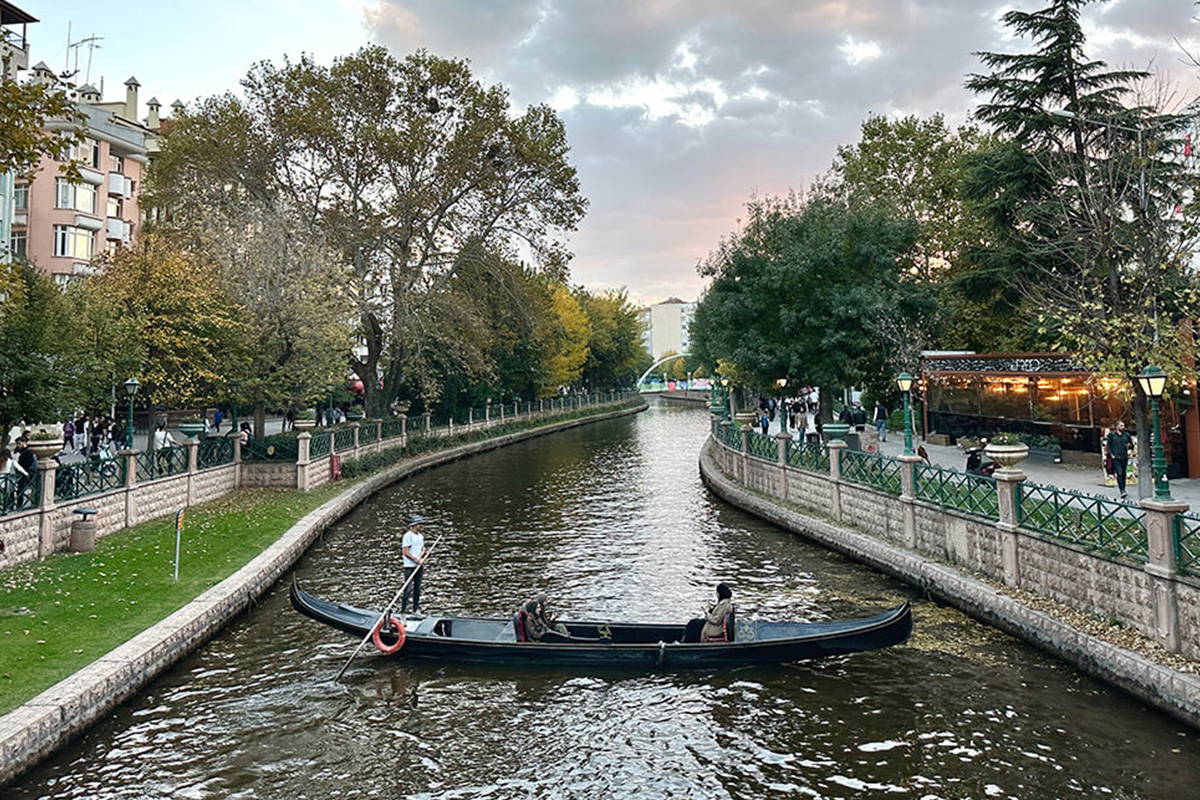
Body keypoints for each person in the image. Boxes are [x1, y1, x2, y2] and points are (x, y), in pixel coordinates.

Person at [401, 514, 427, 614]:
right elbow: (405, 552)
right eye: (420, 524)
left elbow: (422, 549)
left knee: (417, 588)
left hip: (418, 566)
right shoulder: (408, 536)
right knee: (408, 589)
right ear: (415, 524)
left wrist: (422, 555)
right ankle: (403, 612)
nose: (422, 526)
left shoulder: (420, 536)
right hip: (409, 566)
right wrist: (417, 560)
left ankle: (415, 610)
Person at [1105, 421, 1135, 499]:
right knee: (1119, 473)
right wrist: (1111, 454)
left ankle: (1123, 488)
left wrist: (1129, 449)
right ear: (1117, 427)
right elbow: (1109, 445)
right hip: (1116, 457)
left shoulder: (1126, 435)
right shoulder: (1112, 435)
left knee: (1124, 473)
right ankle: (1122, 490)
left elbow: (1131, 445)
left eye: (1123, 426)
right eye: (1121, 426)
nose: (1123, 427)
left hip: (1124, 456)